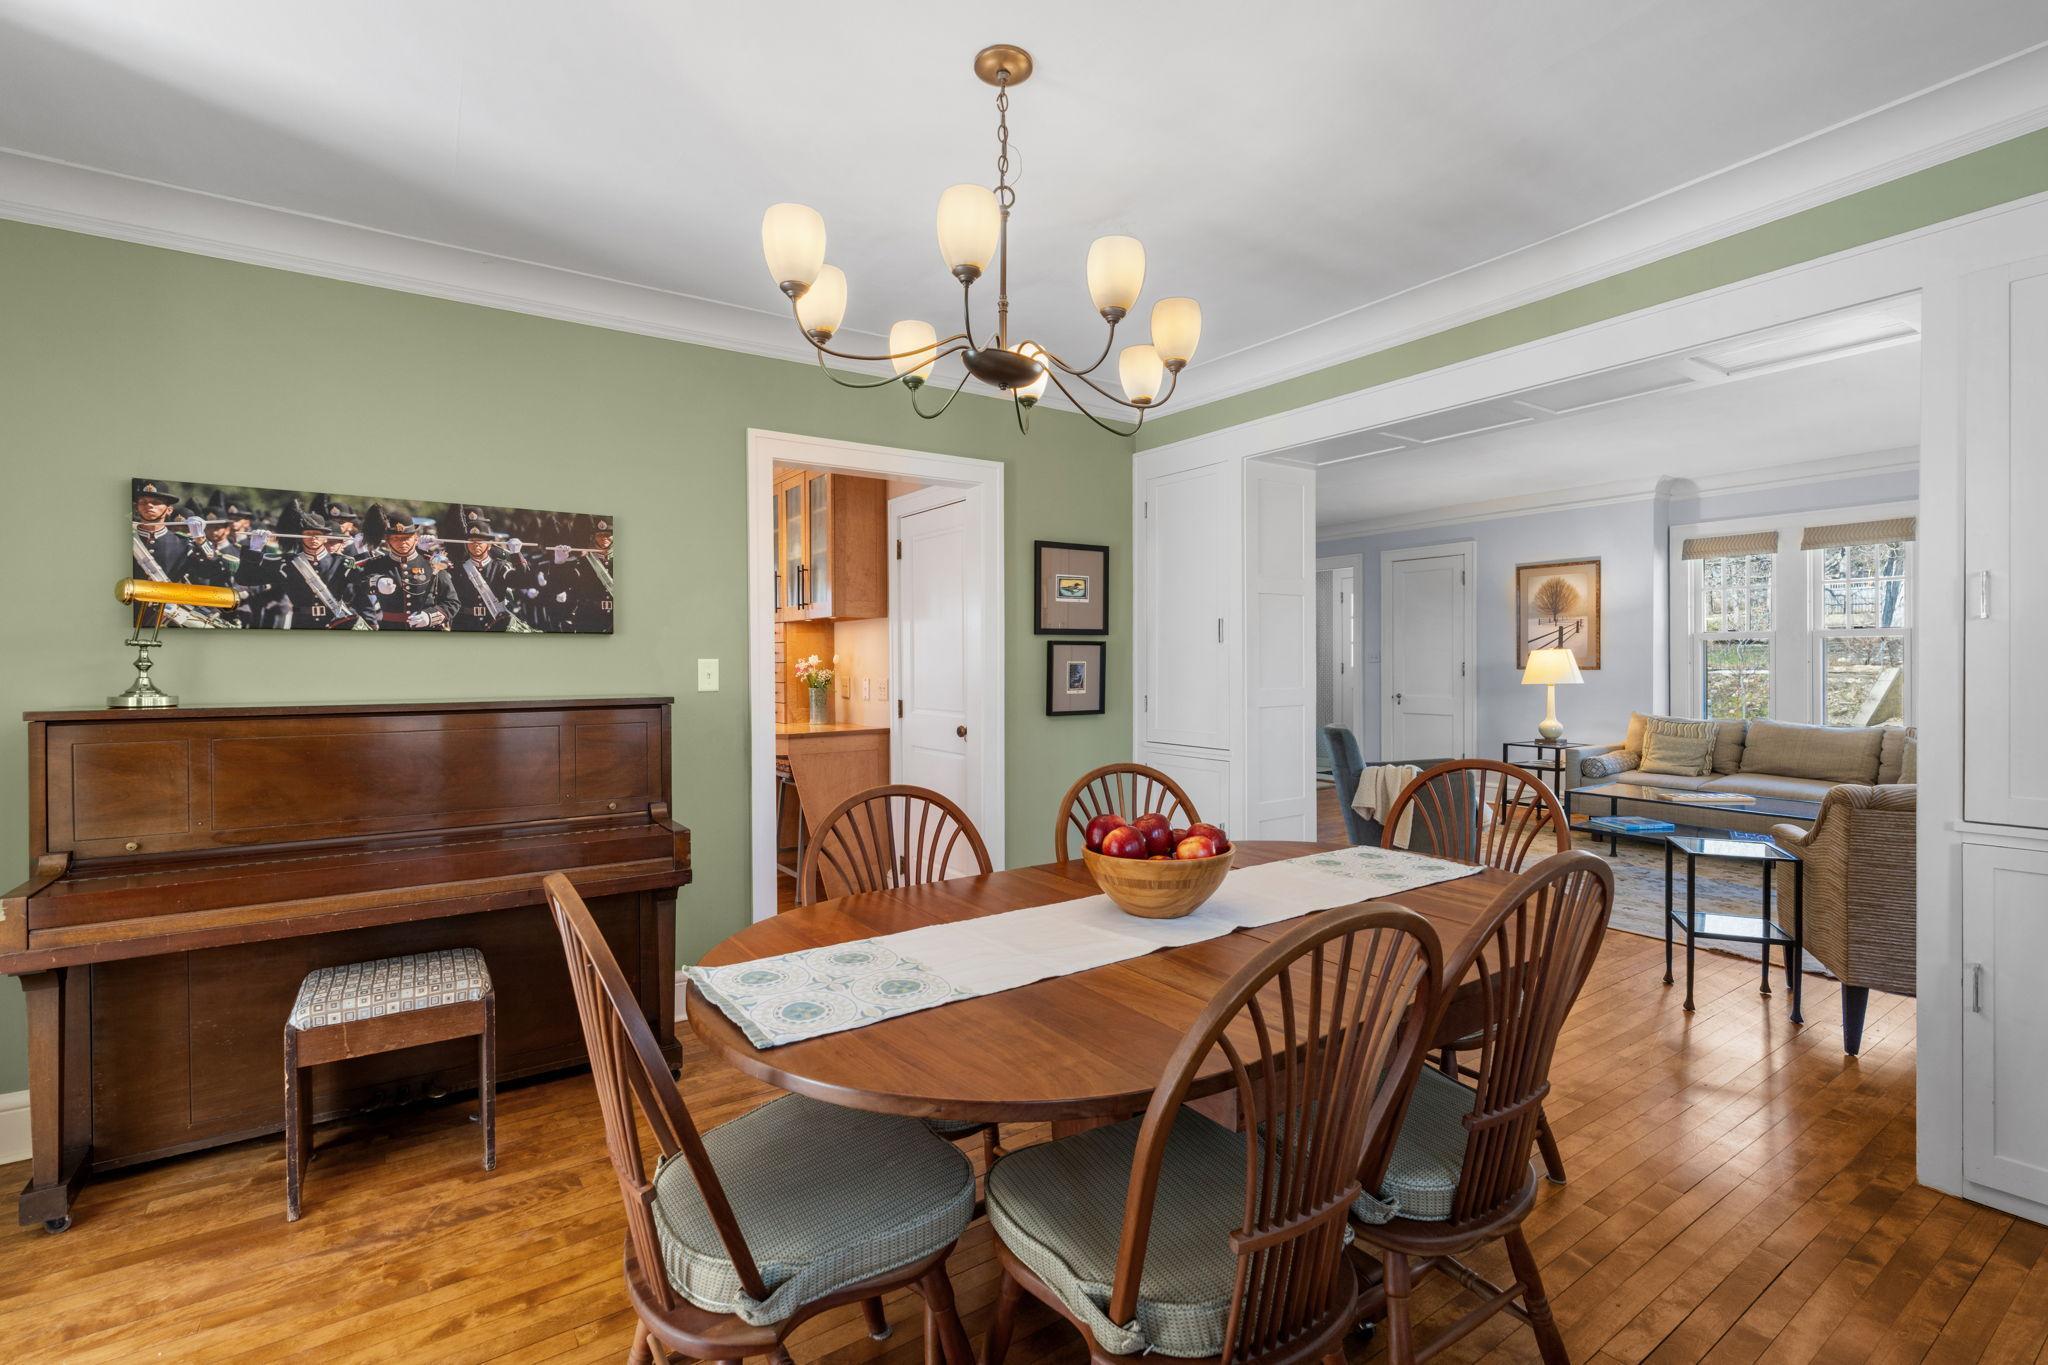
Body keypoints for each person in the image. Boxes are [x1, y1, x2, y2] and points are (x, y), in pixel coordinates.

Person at [236, 499, 367, 629]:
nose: (313, 538)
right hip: (302, 624)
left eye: (318, 534)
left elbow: (367, 582)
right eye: (308, 534)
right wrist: (254, 550)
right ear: (301, 537)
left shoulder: (341, 562)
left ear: (326, 537)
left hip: (336, 622)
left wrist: (363, 553)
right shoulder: (287, 563)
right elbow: (245, 579)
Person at [355, 505, 458, 630]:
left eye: (406, 538)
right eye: (396, 539)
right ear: (388, 541)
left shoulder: (432, 564)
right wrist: (376, 582)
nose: (402, 543)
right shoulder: (378, 564)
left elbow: (452, 602)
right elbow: (360, 584)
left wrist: (431, 617)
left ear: (415, 538)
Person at [448, 511, 537, 632]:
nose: (476, 545)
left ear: (489, 545)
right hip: (464, 623)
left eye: (480, 541)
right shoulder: (458, 568)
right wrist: (423, 552)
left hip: (495, 622)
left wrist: (517, 555)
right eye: (472, 541)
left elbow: (523, 581)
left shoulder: (500, 567)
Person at [183, 490, 255, 625]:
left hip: (228, 609)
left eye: (217, 527)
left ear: (227, 529)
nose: (213, 531)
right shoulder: (195, 549)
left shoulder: (239, 551)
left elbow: (250, 581)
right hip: (195, 608)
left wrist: (238, 594)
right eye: (209, 527)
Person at [555, 513, 616, 633]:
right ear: (593, 537)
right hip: (590, 616)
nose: (604, 538)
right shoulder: (585, 560)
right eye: (600, 535)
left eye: (607, 535)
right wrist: (559, 563)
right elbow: (565, 579)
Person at [130, 478, 193, 583]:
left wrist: (201, 540)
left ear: (169, 510)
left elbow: (205, 573)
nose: (149, 505)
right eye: (143, 502)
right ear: (137, 507)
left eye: (156, 502)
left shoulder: (183, 544)